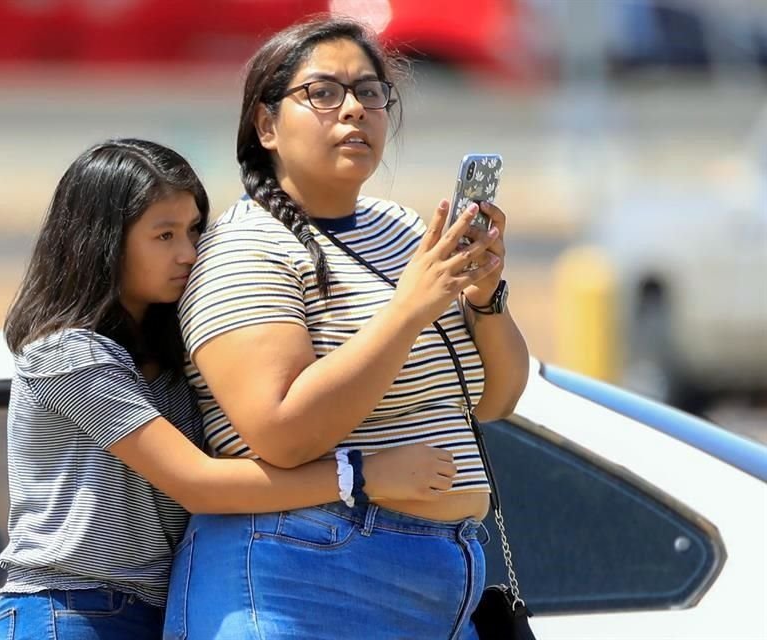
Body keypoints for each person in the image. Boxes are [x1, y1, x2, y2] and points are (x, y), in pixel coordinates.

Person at [0, 138, 460, 640]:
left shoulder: (173, 359)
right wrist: (361, 475)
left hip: (158, 607)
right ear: (102, 241)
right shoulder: (66, 354)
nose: (188, 253)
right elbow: (198, 483)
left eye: (193, 230)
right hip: (68, 610)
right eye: (164, 235)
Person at [165, 16, 529, 640]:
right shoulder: (245, 245)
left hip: (442, 581)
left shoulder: (402, 229)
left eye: (370, 92)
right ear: (267, 124)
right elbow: (280, 431)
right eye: (324, 93)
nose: (354, 110)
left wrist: (485, 298)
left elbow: (495, 400)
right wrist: (409, 310)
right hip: (302, 575)